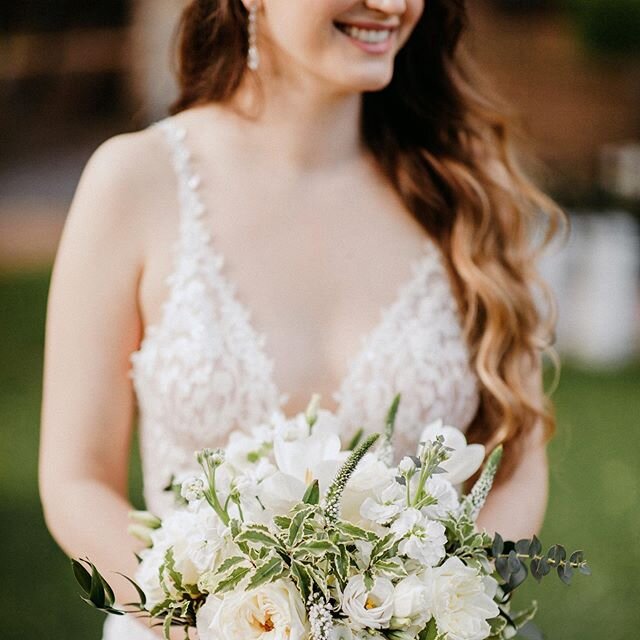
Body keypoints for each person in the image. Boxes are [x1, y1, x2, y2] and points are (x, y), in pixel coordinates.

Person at [38, 0, 566, 638]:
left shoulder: (466, 191)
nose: (394, 5)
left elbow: (516, 466)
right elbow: (76, 478)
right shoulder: (135, 182)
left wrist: (430, 614)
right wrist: (195, 622)